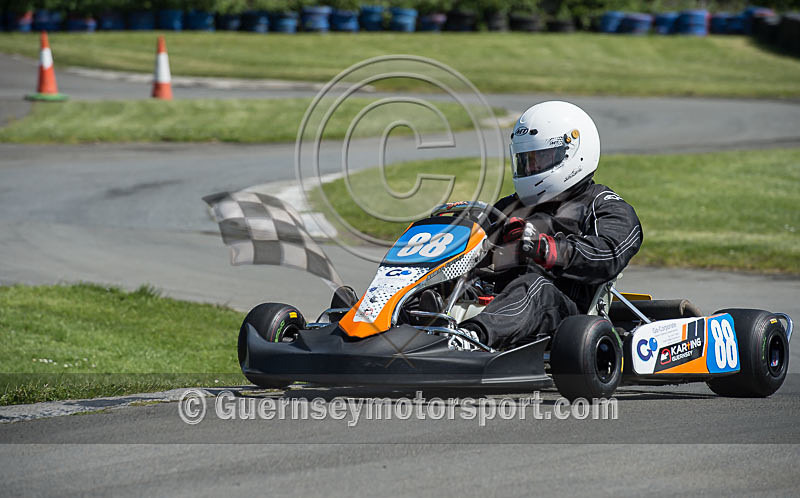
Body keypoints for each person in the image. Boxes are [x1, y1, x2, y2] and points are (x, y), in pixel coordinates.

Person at [454, 101, 643, 351]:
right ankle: (414, 327)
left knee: (534, 286)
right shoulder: (509, 207)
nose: (531, 168)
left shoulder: (604, 205)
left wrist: (545, 249)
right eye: (526, 161)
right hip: (501, 300)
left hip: (566, 312)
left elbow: (608, 254)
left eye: (540, 160)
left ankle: (469, 339)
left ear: (573, 152)